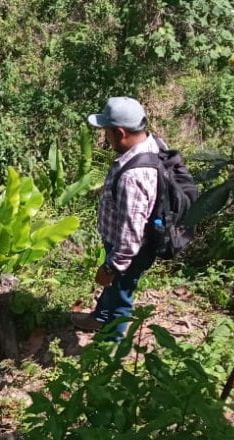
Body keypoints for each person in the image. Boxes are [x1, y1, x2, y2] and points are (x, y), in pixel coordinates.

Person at [71, 97, 162, 339]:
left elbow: (131, 236)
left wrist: (111, 266)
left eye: (107, 133)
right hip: (122, 245)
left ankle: (113, 349)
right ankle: (99, 318)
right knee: (114, 288)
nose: (105, 138)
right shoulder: (150, 145)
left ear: (120, 132)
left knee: (121, 297)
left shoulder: (134, 176)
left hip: (129, 252)